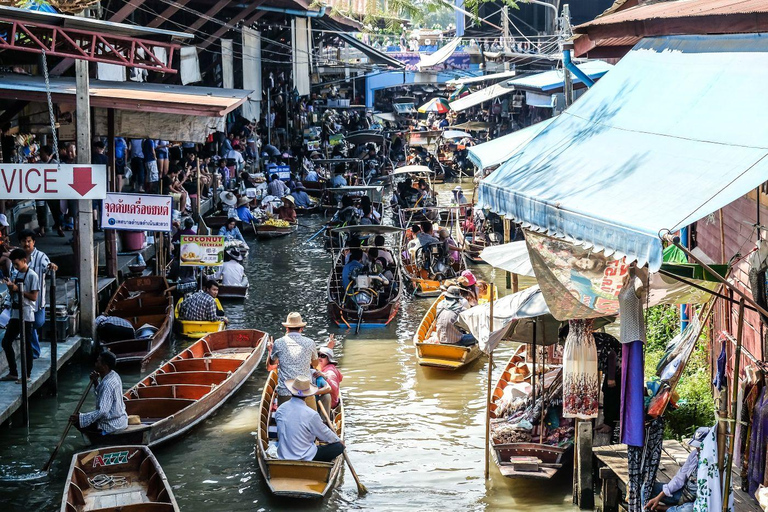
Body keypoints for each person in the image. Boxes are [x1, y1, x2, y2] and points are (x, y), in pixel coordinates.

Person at [273, 375, 344, 462]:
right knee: (339, 447)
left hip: (283, 455)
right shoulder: (311, 414)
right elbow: (325, 434)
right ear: (307, 395)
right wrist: (338, 440)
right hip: (305, 456)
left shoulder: (280, 409)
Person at [645, 427, 710, 511]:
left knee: (686, 510)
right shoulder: (694, 454)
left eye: (700, 446)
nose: (698, 448)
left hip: (698, 502)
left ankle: (661, 508)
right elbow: (680, 478)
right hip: (684, 493)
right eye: (697, 446)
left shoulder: (715, 464)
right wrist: (659, 497)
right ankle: (646, 508)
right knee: (648, 488)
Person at [17, 229, 56, 359]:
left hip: (37, 301)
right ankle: (33, 351)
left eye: (29, 241)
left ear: (33, 242)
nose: (26, 244)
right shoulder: (17, 257)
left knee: (37, 323)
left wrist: (52, 266)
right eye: (24, 241)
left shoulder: (41, 256)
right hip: (22, 300)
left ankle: (32, 349)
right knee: (28, 324)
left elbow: (47, 267)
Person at [0, 249, 39, 381]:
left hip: (27, 313)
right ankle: (13, 372)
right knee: (6, 342)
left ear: (24, 260)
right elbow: (14, 294)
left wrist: (19, 290)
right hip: (15, 313)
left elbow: (34, 296)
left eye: (17, 264)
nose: (15, 267)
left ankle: (27, 374)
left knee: (26, 344)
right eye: (14, 264)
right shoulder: (17, 274)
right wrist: (12, 289)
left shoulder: (32, 275)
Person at [267, 312, 319, 406]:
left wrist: (270, 350)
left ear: (287, 328)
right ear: (301, 328)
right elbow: (315, 364)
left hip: (285, 392)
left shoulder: (278, 342)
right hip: (305, 392)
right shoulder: (310, 343)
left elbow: (272, 362)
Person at [72, 350, 128, 435]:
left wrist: (81, 418)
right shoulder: (114, 375)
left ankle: (97, 439)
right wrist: (96, 382)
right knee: (80, 418)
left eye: (98, 362)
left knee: (76, 420)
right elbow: (103, 395)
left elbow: (103, 411)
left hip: (111, 425)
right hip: (121, 420)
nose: (95, 363)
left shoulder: (107, 384)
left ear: (105, 367)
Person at [315, 346, 343, 414]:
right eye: (318, 355)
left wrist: (325, 376)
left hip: (330, 405)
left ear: (329, 359)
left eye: (323, 356)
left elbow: (335, 389)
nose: (319, 358)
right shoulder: (329, 368)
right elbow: (340, 378)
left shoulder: (330, 372)